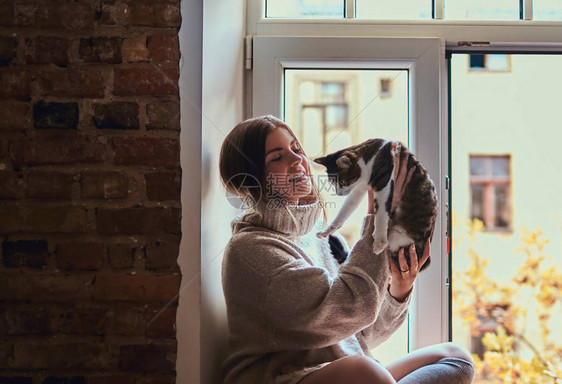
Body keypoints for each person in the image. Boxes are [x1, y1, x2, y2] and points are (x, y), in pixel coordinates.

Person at [219, 115, 475, 384]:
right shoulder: (251, 250)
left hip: (347, 373)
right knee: (365, 372)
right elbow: (350, 309)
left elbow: (357, 331)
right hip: (286, 377)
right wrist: (379, 212)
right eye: (277, 157)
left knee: (455, 357)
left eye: (296, 148)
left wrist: (398, 291)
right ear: (250, 179)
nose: (297, 160)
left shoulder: (319, 237)